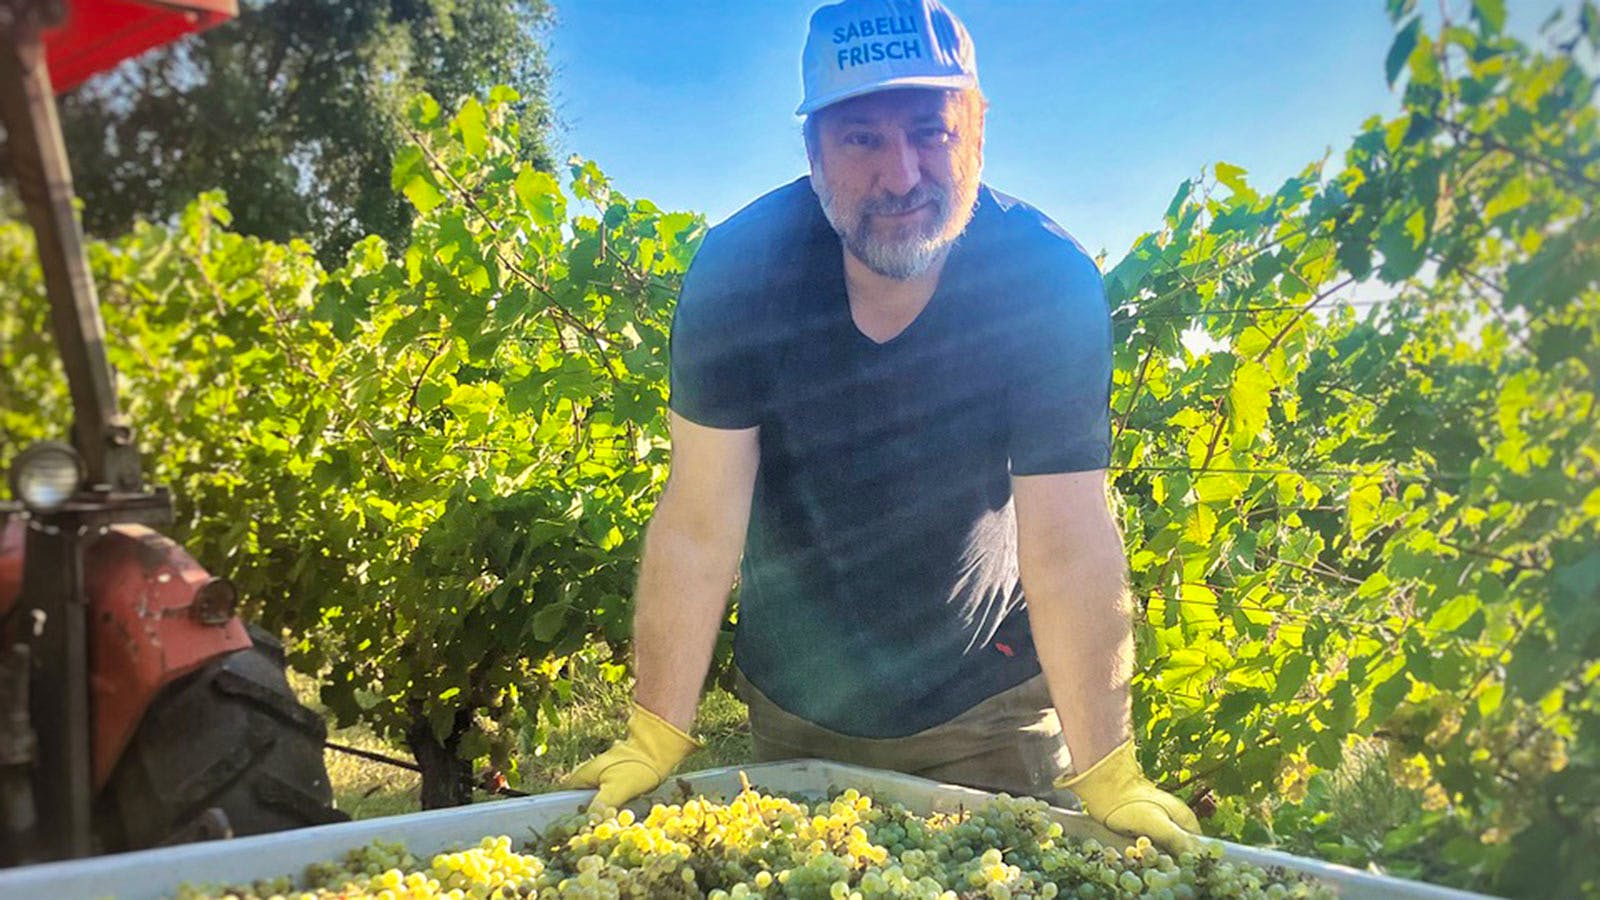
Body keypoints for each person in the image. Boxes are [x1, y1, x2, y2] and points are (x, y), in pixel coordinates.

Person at [566, 0, 1203, 853]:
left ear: (978, 134)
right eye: (862, 139)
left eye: (931, 132)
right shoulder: (741, 271)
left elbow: (1069, 536)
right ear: (813, 153)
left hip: (988, 714)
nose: (901, 176)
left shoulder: (1043, 281)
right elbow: (699, 519)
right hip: (795, 710)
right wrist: (655, 730)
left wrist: (1108, 767)